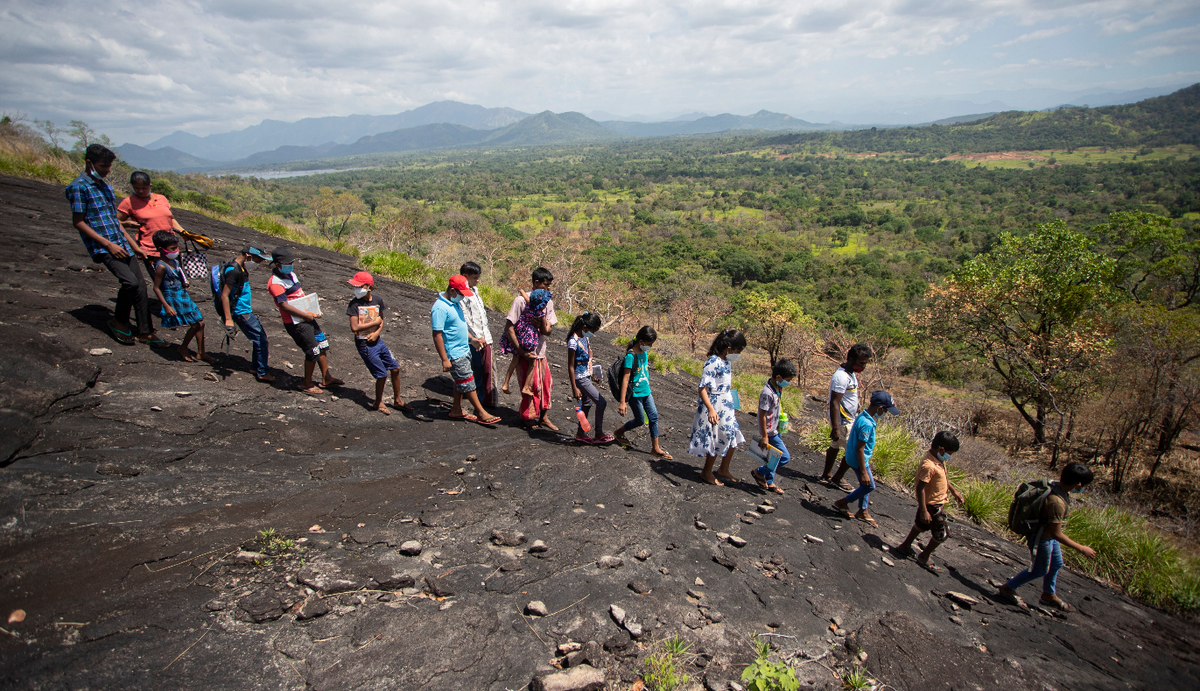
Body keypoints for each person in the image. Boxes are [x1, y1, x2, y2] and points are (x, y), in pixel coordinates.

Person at [65, 144, 162, 347]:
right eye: (103, 166)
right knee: (130, 283)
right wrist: (108, 245)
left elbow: (113, 220)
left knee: (141, 286)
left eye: (109, 167)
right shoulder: (78, 187)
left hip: (120, 242)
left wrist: (133, 245)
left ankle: (145, 331)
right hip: (103, 245)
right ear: (89, 162)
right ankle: (119, 321)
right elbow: (79, 222)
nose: (107, 170)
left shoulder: (105, 187)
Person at [997, 463, 1097, 612]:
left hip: (1048, 536)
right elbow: (1057, 533)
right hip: (1042, 538)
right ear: (1078, 484)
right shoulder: (1057, 502)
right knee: (1040, 570)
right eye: (1084, 486)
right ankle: (1008, 587)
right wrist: (1081, 548)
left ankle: (1049, 594)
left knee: (1056, 563)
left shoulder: (1058, 488)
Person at [266, 246, 343, 395]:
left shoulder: (292, 275)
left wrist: (312, 310)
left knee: (322, 344)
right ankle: (306, 383)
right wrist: (305, 315)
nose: (290, 266)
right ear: (277, 264)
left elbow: (299, 296)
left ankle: (327, 377)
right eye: (287, 263)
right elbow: (284, 305)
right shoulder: (275, 283)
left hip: (306, 317)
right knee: (312, 350)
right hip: (296, 322)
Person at [431, 275, 501, 425]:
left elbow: (460, 326)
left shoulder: (454, 303)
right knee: (468, 382)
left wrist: (472, 340)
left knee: (460, 381)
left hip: (464, 348)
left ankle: (456, 409)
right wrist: (444, 359)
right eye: (461, 293)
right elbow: (437, 335)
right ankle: (481, 413)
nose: (463, 297)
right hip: (454, 352)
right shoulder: (439, 308)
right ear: (452, 290)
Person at [896, 431, 965, 572]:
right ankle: (925, 555)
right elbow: (920, 488)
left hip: (931, 504)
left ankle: (905, 546)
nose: (949, 456)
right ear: (941, 449)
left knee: (921, 525)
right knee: (942, 534)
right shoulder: (929, 465)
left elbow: (943, 478)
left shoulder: (938, 461)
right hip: (933, 505)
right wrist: (924, 510)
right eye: (949, 453)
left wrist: (953, 491)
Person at [688, 329, 747, 486]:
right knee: (716, 438)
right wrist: (711, 409)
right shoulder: (713, 362)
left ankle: (723, 469)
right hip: (715, 406)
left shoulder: (726, 362)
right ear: (729, 348)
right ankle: (706, 472)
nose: (738, 354)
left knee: (732, 436)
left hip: (726, 406)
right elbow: (702, 388)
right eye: (738, 350)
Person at [346, 271, 410, 415]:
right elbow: (354, 327)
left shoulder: (377, 300)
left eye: (359, 286)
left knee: (395, 368)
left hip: (377, 341)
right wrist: (374, 323)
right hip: (364, 344)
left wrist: (376, 332)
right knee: (381, 374)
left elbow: (381, 319)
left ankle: (397, 400)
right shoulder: (354, 304)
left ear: (369, 287)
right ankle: (378, 402)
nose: (356, 289)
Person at [832, 391, 900, 526]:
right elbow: (860, 448)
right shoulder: (867, 424)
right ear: (880, 408)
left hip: (851, 456)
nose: (885, 413)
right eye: (885, 410)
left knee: (865, 485)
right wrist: (863, 471)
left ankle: (863, 510)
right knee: (869, 486)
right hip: (859, 459)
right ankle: (843, 502)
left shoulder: (862, 416)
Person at [503, 268, 558, 429]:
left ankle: (543, 417)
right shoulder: (520, 301)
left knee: (546, 384)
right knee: (531, 385)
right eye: (545, 285)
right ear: (536, 283)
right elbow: (509, 327)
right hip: (526, 351)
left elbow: (548, 331)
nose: (548, 288)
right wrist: (520, 351)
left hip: (540, 350)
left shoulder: (547, 302)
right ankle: (528, 417)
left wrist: (540, 323)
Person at [150, 231, 211, 363]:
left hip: (182, 294)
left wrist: (184, 282)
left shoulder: (173, 261)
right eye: (173, 248)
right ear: (161, 249)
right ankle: (183, 347)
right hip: (173, 297)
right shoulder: (161, 266)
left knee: (201, 323)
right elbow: (156, 287)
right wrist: (166, 306)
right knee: (196, 324)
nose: (176, 251)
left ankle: (201, 352)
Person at [819, 343, 873, 490]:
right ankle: (837, 477)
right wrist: (836, 427)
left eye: (865, 363)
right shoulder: (841, 377)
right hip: (843, 421)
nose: (863, 366)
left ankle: (826, 475)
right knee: (854, 450)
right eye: (861, 363)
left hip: (849, 418)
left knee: (835, 446)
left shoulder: (851, 375)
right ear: (850, 359)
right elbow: (834, 402)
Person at [217, 245, 274, 382]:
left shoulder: (241, 268)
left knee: (259, 339)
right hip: (240, 311)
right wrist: (228, 319)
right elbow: (224, 295)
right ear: (248, 256)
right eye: (258, 259)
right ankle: (262, 371)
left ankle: (256, 367)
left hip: (245, 310)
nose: (259, 263)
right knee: (261, 340)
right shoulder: (233, 271)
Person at [613, 325, 671, 458]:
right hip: (635, 394)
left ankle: (655, 448)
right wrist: (622, 402)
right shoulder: (630, 356)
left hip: (646, 391)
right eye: (649, 344)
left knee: (653, 417)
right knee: (639, 420)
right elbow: (625, 379)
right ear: (641, 342)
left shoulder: (644, 352)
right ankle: (618, 432)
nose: (650, 347)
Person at [116, 171, 187, 277]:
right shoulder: (129, 202)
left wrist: (183, 232)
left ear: (150, 185)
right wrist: (127, 224)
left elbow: (170, 219)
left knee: (178, 280)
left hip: (170, 247)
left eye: (144, 188)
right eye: (136, 188)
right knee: (161, 282)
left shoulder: (161, 198)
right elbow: (115, 222)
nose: (140, 191)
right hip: (149, 249)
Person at [750, 358, 797, 495]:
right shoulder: (767, 393)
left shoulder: (778, 387)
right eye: (787, 379)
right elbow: (762, 415)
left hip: (776, 428)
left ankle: (769, 481)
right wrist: (765, 436)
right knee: (784, 457)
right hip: (770, 432)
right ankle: (759, 472)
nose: (788, 382)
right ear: (778, 377)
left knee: (773, 456)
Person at [567, 312, 613, 444]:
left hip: (586, 374)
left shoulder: (584, 338)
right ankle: (598, 433)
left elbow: (587, 358)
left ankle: (580, 433)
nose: (593, 334)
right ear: (585, 327)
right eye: (593, 331)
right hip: (580, 378)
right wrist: (574, 387)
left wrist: (592, 373)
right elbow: (570, 366)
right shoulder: (573, 342)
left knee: (587, 403)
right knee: (601, 402)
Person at [459, 262, 498, 408]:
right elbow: (465, 318)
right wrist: (475, 337)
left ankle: (482, 398)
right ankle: (478, 400)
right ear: (465, 276)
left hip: (484, 336)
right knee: (478, 368)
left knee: (486, 369)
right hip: (474, 339)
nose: (477, 280)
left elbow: (480, 315)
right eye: (474, 277)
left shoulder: (474, 290)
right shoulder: (461, 294)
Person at [499, 288, 551, 396]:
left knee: (514, 360)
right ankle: (526, 387)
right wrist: (547, 323)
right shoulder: (541, 314)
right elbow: (545, 330)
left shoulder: (528, 306)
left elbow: (527, 299)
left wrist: (522, 291)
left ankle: (505, 383)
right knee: (532, 363)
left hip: (520, 334)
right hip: (529, 338)